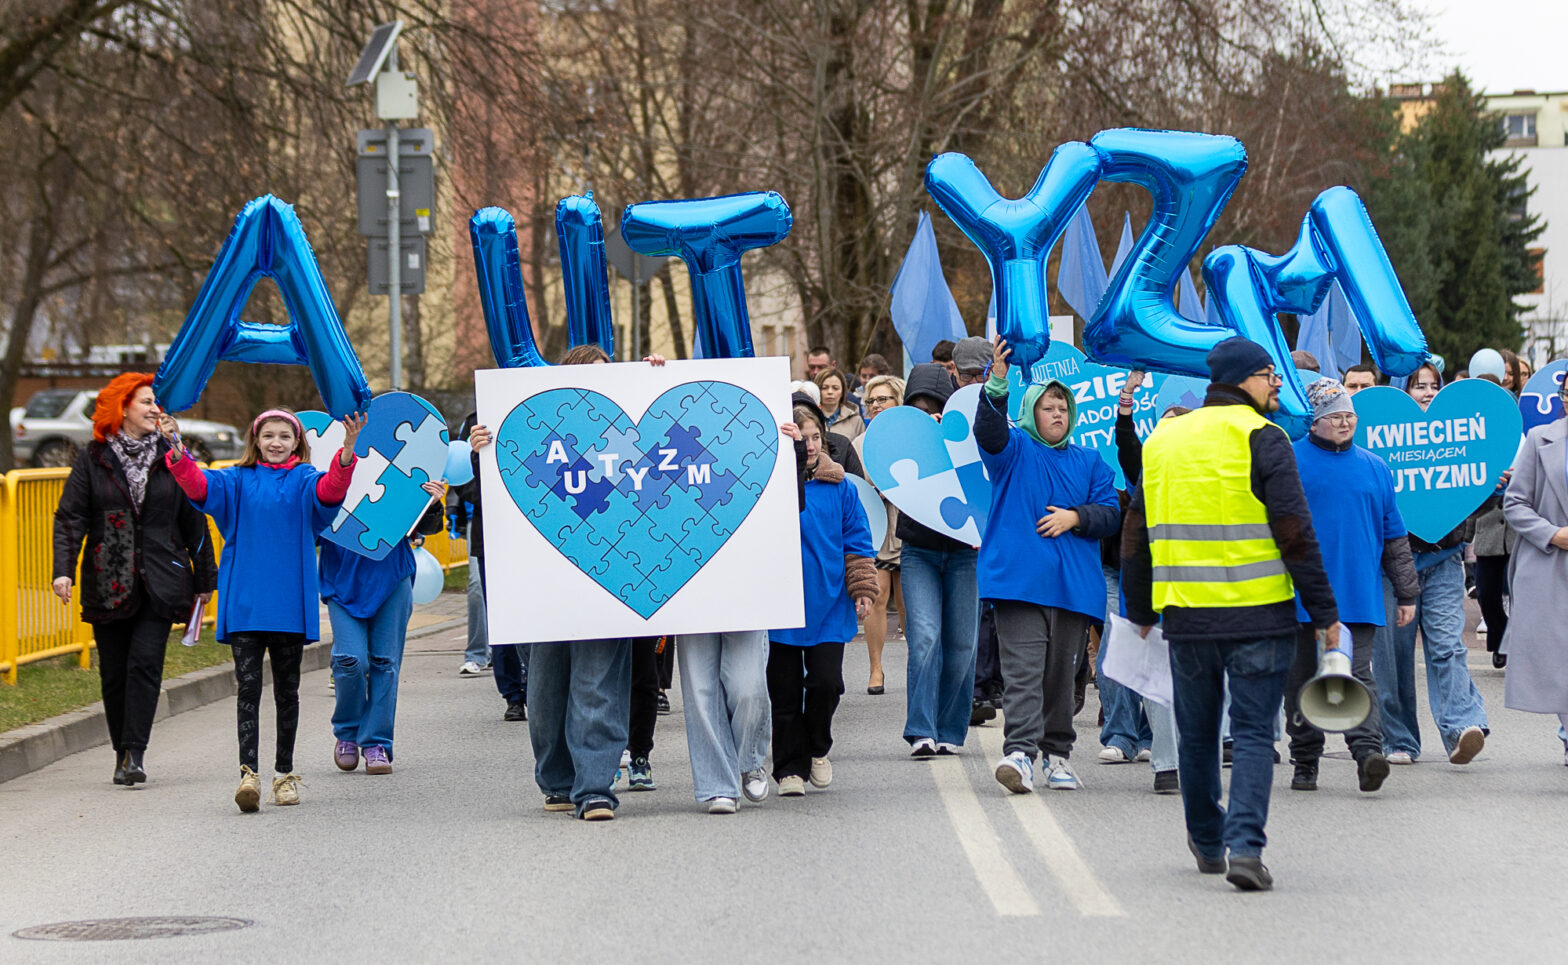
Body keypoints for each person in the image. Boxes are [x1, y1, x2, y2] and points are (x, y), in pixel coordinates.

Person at [1123, 336, 1341, 892]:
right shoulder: (1265, 438)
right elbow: (1295, 531)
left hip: (1188, 616)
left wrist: (1139, 606)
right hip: (1259, 615)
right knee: (1249, 734)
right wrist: (1323, 611)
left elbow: (1136, 532)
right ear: (1244, 379)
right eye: (1270, 375)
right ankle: (1246, 847)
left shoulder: (1164, 441)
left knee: (1196, 735)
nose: (1276, 385)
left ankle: (1206, 838)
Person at [165, 406, 362, 812]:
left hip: (289, 603)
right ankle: (248, 775)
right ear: (255, 440)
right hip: (246, 604)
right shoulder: (234, 481)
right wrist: (176, 447)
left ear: (297, 444)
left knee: (287, 693)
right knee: (248, 691)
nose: (276, 443)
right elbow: (198, 486)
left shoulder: (305, 479)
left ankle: (284, 775)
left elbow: (330, 493)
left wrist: (347, 452)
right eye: (268, 435)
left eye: (284, 437)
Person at [52, 373, 217, 787]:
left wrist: (204, 579)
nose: (154, 409)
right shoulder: (93, 458)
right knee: (114, 672)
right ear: (122, 407)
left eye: (155, 402)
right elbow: (70, 516)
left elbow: (194, 519)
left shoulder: (174, 455)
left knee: (145, 663)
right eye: (145, 402)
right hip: (108, 580)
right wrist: (62, 570)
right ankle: (120, 750)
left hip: (162, 579)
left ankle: (135, 753)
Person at [521, 344, 664, 820]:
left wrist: (654, 382)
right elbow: (506, 492)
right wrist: (485, 445)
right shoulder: (542, 433)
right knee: (545, 689)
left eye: (609, 376)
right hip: (550, 584)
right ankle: (558, 780)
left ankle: (595, 787)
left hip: (612, 578)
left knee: (598, 683)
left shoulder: (629, 436)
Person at [978, 339, 1120, 793]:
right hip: (1019, 583)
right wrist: (996, 383)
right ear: (1031, 413)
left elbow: (1111, 513)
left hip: (1074, 589)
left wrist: (1075, 516)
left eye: (1062, 406)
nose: (1057, 413)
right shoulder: (1013, 450)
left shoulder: (1091, 460)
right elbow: (989, 431)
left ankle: (1057, 756)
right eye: (1047, 407)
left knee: (1062, 678)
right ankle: (1019, 754)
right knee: (1023, 672)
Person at [1281, 379, 1420, 794]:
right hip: (1301, 596)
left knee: (1357, 676)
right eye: (1335, 416)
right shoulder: (1289, 460)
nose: (1344, 423)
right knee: (1302, 678)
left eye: (1350, 416)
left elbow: (1394, 535)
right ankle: (1305, 760)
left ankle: (1367, 754)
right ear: (1315, 421)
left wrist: (1407, 591)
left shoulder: (1375, 466)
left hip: (1358, 595)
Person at [678, 421, 807, 814]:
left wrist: (794, 452)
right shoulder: (674, 443)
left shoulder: (748, 439)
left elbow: (791, 503)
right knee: (700, 690)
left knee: (748, 686)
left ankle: (750, 760)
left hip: (746, 583)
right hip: (686, 583)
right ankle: (718, 784)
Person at [1370, 361, 1490, 767]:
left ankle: (1463, 726)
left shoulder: (1456, 439)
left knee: (1448, 646)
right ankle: (1398, 738)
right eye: (1417, 385)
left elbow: (1469, 500)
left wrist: (1491, 485)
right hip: (1390, 567)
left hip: (1442, 560)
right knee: (1393, 658)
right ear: (1401, 391)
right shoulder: (1377, 443)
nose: (1426, 391)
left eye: (1433, 385)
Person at [769, 398, 877, 796]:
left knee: (826, 683)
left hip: (830, 603)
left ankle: (818, 747)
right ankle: (788, 769)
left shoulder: (842, 487)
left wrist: (863, 589)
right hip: (781, 607)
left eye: (816, 437)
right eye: (803, 438)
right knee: (783, 692)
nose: (811, 445)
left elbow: (858, 542)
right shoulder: (772, 489)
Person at [320, 480, 448, 775]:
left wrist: (431, 503)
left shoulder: (406, 455)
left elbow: (427, 528)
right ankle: (347, 734)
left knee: (385, 661)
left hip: (391, 574)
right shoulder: (324, 458)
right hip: (341, 575)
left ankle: (376, 743)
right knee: (349, 660)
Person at [1097, 370, 1184, 794]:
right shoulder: (1144, 471)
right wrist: (1128, 395)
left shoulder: (1209, 480)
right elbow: (1126, 440)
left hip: (1202, 590)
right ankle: (1159, 759)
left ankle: (1194, 751)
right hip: (1149, 584)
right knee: (1151, 666)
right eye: (1163, 423)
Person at [896, 364, 982, 758]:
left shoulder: (966, 436)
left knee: (962, 643)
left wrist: (949, 438)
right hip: (919, 552)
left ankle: (949, 728)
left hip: (965, 552)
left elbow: (985, 480)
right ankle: (920, 729)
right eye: (918, 408)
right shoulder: (902, 440)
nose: (928, 414)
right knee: (925, 637)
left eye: (935, 408)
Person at [1501, 371, 1568, 763]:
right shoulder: (1541, 439)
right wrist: (1552, 534)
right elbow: (1515, 503)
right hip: (1552, 564)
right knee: (1560, 653)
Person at [455, 410, 527, 720]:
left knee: (535, 616)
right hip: (491, 537)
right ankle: (512, 693)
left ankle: (539, 687)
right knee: (501, 618)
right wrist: (475, 456)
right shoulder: (476, 420)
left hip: (533, 538)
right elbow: (463, 485)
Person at [851, 374, 906, 694]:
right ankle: (876, 670)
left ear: (898, 401)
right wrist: (875, 493)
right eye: (871, 401)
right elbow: (854, 489)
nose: (876, 406)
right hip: (876, 530)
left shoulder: (911, 437)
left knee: (909, 604)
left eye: (883, 399)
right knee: (876, 596)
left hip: (910, 530)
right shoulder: (859, 445)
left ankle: (918, 666)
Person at [815, 367, 864, 442]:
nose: (830, 392)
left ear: (843, 392)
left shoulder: (855, 420)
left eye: (835, 388)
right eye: (824, 388)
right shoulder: (810, 418)